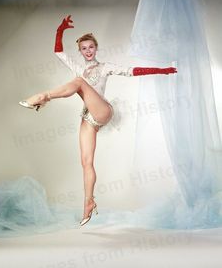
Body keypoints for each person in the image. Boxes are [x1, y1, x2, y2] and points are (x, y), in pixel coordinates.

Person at [19, 14, 177, 226]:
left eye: (91, 47)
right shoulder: (79, 68)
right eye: (84, 48)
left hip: (103, 111)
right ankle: (88, 203)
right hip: (88, 117)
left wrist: (162, 70)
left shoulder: (105, 67)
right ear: (81, 51)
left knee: (79, 82)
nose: (88, 51)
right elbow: (58, 52)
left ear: (96, 48)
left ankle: (42, 97)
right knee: (86, 162)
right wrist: (60, 29)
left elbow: (132, 71)